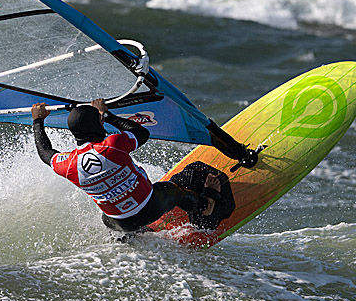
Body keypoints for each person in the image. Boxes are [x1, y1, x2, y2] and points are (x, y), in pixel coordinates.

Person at [31, 99, 221, 237]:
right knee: (171, 190)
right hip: (150, 207)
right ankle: (207, 206)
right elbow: (141, 132)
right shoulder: (112, 144)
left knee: (106, 218)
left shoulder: (68, 164)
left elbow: (45, 152)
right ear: (96, 125)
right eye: (99, 121)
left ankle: (134, 235)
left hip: (119, 222)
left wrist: (38, 121)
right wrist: (108, 114)